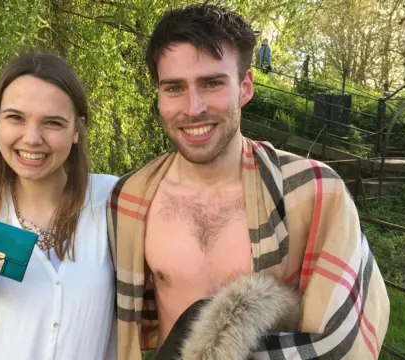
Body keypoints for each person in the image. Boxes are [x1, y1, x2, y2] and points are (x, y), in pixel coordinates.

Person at [108, 4, 389, 359]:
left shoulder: (316, 193)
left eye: (212, 83)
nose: (193, 108)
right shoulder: (130, 199)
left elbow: (344, 338)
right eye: (174, 88)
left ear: (245, 87)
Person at [0, 52, 118, 359]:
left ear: (77, 130)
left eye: (52, 122)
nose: (32, 138)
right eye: (16, 118)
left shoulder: (112, 201)